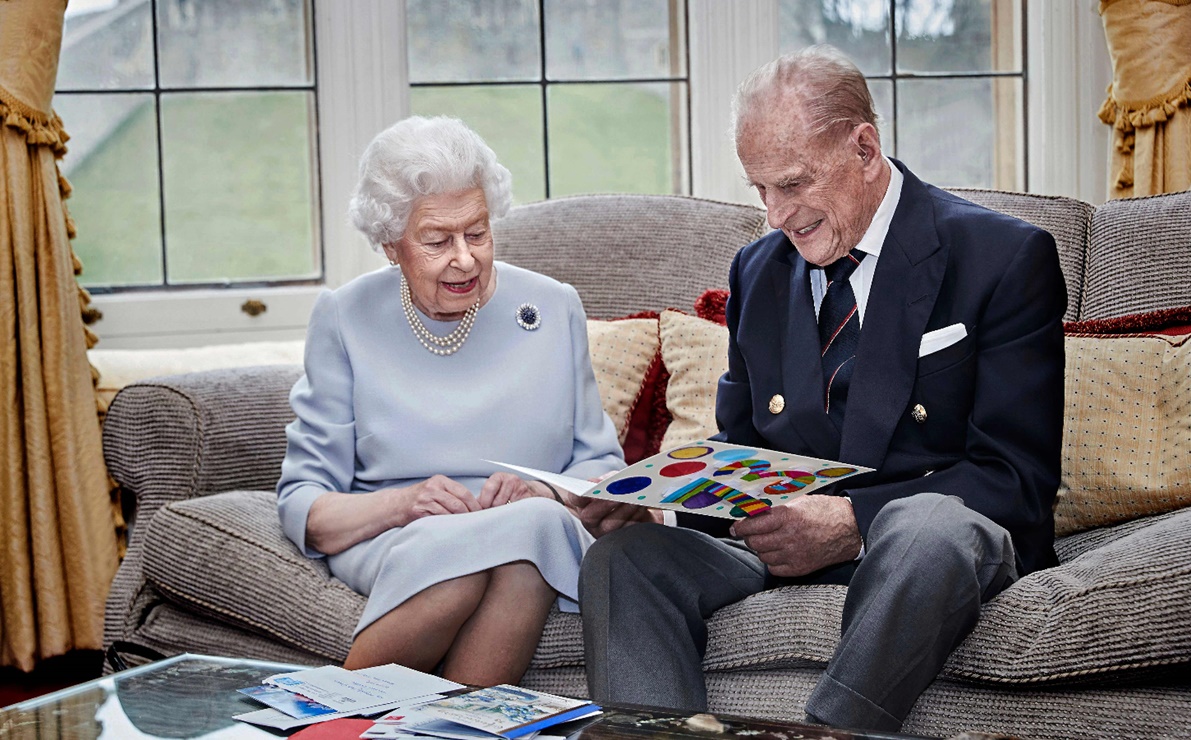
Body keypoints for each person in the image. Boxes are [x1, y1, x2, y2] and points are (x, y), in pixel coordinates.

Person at [575, 46, 1066, 732]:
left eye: (794, 183)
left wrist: (851, 525)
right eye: (760, 190)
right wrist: (660, 504)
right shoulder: (759, 269)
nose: (777, 215)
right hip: (780, 551)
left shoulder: (1003, 257)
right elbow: (742, 446)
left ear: (864, 148)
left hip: (922, 555)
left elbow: (1016, 479)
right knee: (625, 560)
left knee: (928, 527)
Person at [277, 115, 625, 685]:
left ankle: (330, 720)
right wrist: (404, 504)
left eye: (478, 233)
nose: (465, 258)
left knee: (527, 536)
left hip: (528, 523)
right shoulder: (345, 317)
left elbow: (602, 467)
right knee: (483, 560)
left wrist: (541, 489)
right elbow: (306, 504)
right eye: (437, 241)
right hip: (394, 532)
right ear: (391, 246)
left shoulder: (553, 305)